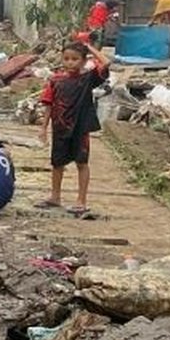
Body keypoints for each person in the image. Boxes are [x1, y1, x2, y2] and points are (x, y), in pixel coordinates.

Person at [37, 41, 110, 217]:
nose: (70, 62)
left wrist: (90, 47)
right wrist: (43, 128)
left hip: (80, 127)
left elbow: (106, 63)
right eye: (67, 59)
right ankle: (55, 196)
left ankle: (81, 201)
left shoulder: (88, 79)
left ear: (84, 61)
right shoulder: (55, 81)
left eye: (75, 59)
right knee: (57, 163)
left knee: (81, 163)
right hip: (60, 127)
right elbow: (48, 105)